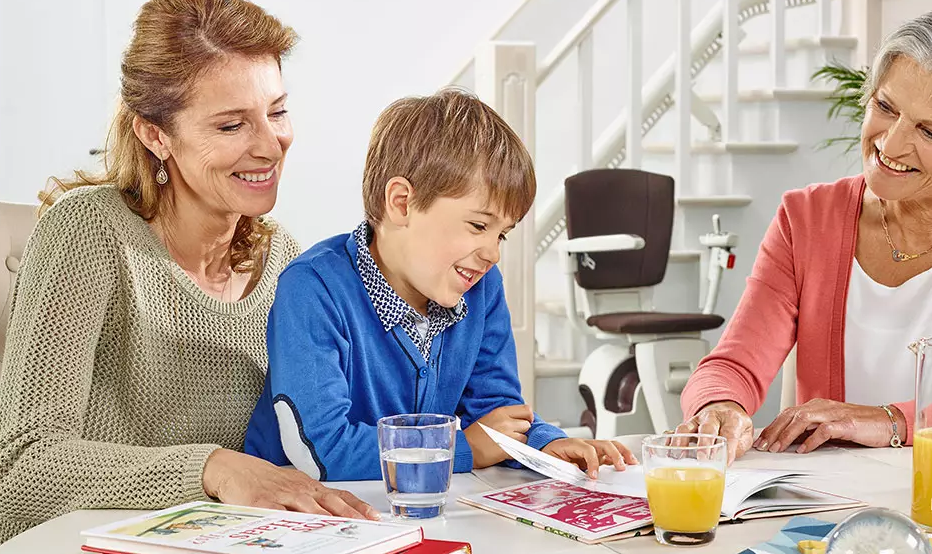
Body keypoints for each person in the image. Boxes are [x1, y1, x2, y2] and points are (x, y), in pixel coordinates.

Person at [0, 0, 374, 554]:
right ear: (155, 134)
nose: (269, 143)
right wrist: (212, 467)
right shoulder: (87, 235)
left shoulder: (284, 259)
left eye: (277, 111)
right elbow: (20, 466)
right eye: (230, 124)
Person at [678, 3, 932, 461]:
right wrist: (721, 404)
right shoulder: (806, 218)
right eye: (885, 106)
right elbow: (733, 364)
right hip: (833, 515)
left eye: (931, 133)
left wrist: (891, 421)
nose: (891, 143)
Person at [244, 89, 638, 480]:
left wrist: (543, 445)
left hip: (409, 510)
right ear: (401, 203)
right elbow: (320, 449)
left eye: (502, 235)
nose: (492, 254)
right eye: (479, 226)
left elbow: (496, 413)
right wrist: (460, 448)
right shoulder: (312, 289)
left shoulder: (481, 287)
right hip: (296, 522)